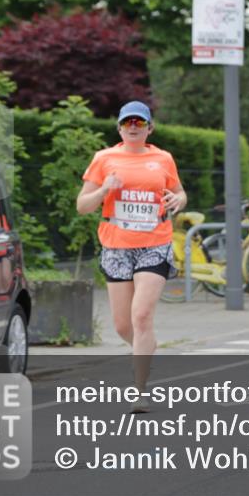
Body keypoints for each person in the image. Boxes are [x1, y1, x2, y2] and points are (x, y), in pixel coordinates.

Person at [77, 101, 187, 413]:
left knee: (141, 316)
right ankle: (146, 350)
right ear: (120, 128)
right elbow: (82, 206)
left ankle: (140, 391)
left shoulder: (162, 158)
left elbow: (180, 192)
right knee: (123, 325)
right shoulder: (104, 159)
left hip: (155, 241)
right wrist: (103, 191)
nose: (134, 127)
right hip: (116, 245)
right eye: (128, 123)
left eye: (140, 123)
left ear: (149, 128)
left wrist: (177, 198)